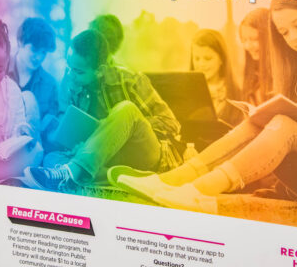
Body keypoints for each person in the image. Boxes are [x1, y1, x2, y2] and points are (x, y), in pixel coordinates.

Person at [113, 0, 297, 212]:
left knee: (283, 125)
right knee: (259, 120)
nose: (293, 38)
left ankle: (199, 191)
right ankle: (172, 180)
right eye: (284, 32)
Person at [24, 29, 182, 190]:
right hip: (108, 159)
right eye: (68, 67)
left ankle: (73, 173)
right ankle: (124, 178)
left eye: (78, 71)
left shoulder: (130, 81)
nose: (70, 75)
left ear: (101, 70)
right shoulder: (72, 84)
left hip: (146, 154)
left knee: (126, 109)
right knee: (52, 158)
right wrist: (87, 143)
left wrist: (116, 127)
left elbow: (171, 123)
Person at [0, 17, 32, 151]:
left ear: (6, 66)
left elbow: (18, 122)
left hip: (6, 153)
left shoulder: (12, 90)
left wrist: (21, 130)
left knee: (36, 150)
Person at [8, 17, 59, 127]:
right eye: (34, 50)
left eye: (44, 52)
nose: (39, 57)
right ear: (20, 42)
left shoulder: (50, 84)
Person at [190, 29, 242, 126]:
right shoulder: (188, 93)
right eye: (197, 58)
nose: (201, 64)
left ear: (221, 59)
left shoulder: (236, 94)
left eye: (208, 58)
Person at [239, 8, 272, 105]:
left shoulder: (282, 73)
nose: (248, 46)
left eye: (254, 39)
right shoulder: (252, 72)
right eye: (244, 40)